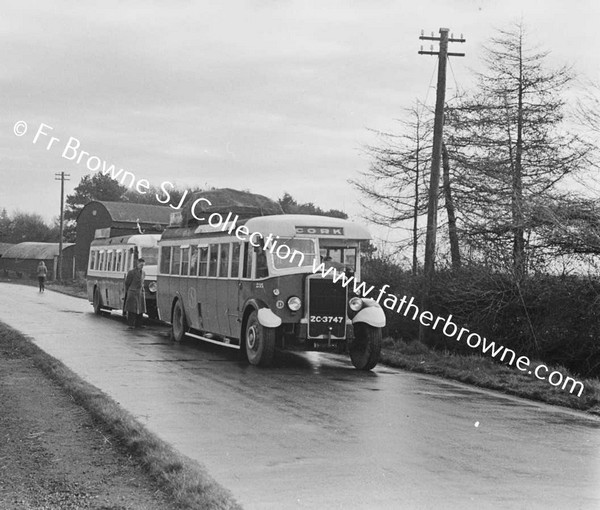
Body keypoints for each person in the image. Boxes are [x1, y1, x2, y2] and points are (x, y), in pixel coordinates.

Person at [124, 258, 146, 329]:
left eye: (143, 265)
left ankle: (138, 324)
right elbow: (127, 283)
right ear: (137, 264)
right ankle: (131, 324)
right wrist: (130, 290)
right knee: (131, 310)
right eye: (141, 264)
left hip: (140, 293)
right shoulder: (131, 272)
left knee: (140, 310)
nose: (142, 266)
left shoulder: (143, 273)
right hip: (133, 293)